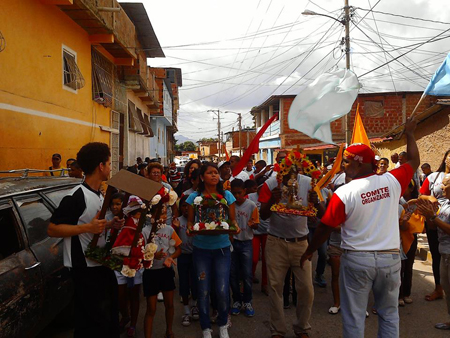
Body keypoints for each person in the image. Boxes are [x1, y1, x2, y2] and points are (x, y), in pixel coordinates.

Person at [301, 116, 419, 338]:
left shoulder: (344, 193)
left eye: (346, 161)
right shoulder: (392, 181)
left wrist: (309, 251)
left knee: (354, 317)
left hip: (357, 260)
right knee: (389, 315)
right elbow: (413, 161)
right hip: (390, 260)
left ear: (358, 163)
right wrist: (411, 133)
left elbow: (325, 227)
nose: (343, 165)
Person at [47, 142, 124, 337]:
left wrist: (108, 225)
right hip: (85, 269)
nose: (110, 167)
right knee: (91, 324)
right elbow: (52, 229)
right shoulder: (76, 196)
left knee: (109, 317)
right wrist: (87, 227)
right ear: (100, 166)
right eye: (108, 163)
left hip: (100, 263)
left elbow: (92, 225)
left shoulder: (99, 194)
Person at [259, 154, 324, 338]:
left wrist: (315, 201)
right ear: (280, 170)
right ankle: (278, 330)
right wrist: (273, 199)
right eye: (286, 172)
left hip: (300, 243)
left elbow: (322, 214)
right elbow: (263, 215)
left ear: (299, 169)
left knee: (307, 290)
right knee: (275, 288)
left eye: (294, 171)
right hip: (276, 242)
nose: (290, 176)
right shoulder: (271, 184)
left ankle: (302, 326)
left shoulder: (310, 183)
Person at [186, 162, 239, 338]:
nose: (214, 175)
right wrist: (189, 228)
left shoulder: (227, 196)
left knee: (223, 289)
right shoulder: (194, 197)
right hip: (201, 249)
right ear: (202, 177)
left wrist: (235, 228)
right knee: (203, 290)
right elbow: (190, 222)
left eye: (216, 173)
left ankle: (223, 323)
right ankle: (206, 328)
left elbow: (232, 220)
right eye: (210, 173)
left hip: (222, 249)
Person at [417, 173, 450, 330]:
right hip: (444, 252)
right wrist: (428, 216)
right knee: (446, 287)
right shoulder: (444, 204)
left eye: (445, 184)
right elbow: (433, 226)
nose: (441, 187)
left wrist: (433, 218)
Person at [143, 204, 182, 338]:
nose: (164, 217)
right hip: (151, 272)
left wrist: (170, 258)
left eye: (165, 214)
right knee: (151, 308)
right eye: (160, 214)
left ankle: (169, 330)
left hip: (165, 271)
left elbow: (178, 248)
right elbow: (139, 254)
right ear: (151, 216)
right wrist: (153, 256)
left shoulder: (169, 229)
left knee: (169, 304)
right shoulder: (145, 231)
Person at [111, 195, 144, 338]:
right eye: (113, 204)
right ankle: (125, 315)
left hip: (136, 262)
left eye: (118, 204)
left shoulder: (143, 224)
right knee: (120, 295)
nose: (115, 207)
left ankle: (133, 324)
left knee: (134, 294)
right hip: (119, 262)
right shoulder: (117, 222)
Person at [420, 149, 450, 302]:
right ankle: (438, 288)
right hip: (434, 220)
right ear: (445, 158)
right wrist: (430, 198)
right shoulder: (434, 177)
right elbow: (422, 194)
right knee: (437, 255)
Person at [230, 179, 259, 317]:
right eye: (234, 193)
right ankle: (236, 300)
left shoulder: (251, 205)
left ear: (245, 191)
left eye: (239, 193)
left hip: (246, 242)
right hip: (233, 243)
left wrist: (253, 224)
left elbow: (256, 224)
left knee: (247, 275)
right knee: (233, 274)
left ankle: (247, 300)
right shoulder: (230, 205)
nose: (237, 196)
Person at [398, 180, 424, 307]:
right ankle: (399, 295)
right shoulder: (398, 200)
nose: (402, 189)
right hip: (399, 238)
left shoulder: (417, 203)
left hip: (411, 237)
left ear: (411, 188)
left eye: (405, 187)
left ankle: (406, 293)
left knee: (408, 267)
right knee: (400, 268)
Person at [177, 195, 199, 327]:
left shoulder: (198, 221)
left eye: (189, 206)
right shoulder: (177, 221)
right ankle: (186, 310)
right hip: (183, 255)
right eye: (183, 206)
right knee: (184, 283)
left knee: (196, 282)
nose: (186, 208)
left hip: (196, 255)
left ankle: (194, 306)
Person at [248, 179, 269, 294]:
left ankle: (265, 284)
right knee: (254, 259)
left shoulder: (270, 196)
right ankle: (249, 279)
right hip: (254, 233)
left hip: (267, 232)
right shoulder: (250, 197)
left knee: (266, 260)